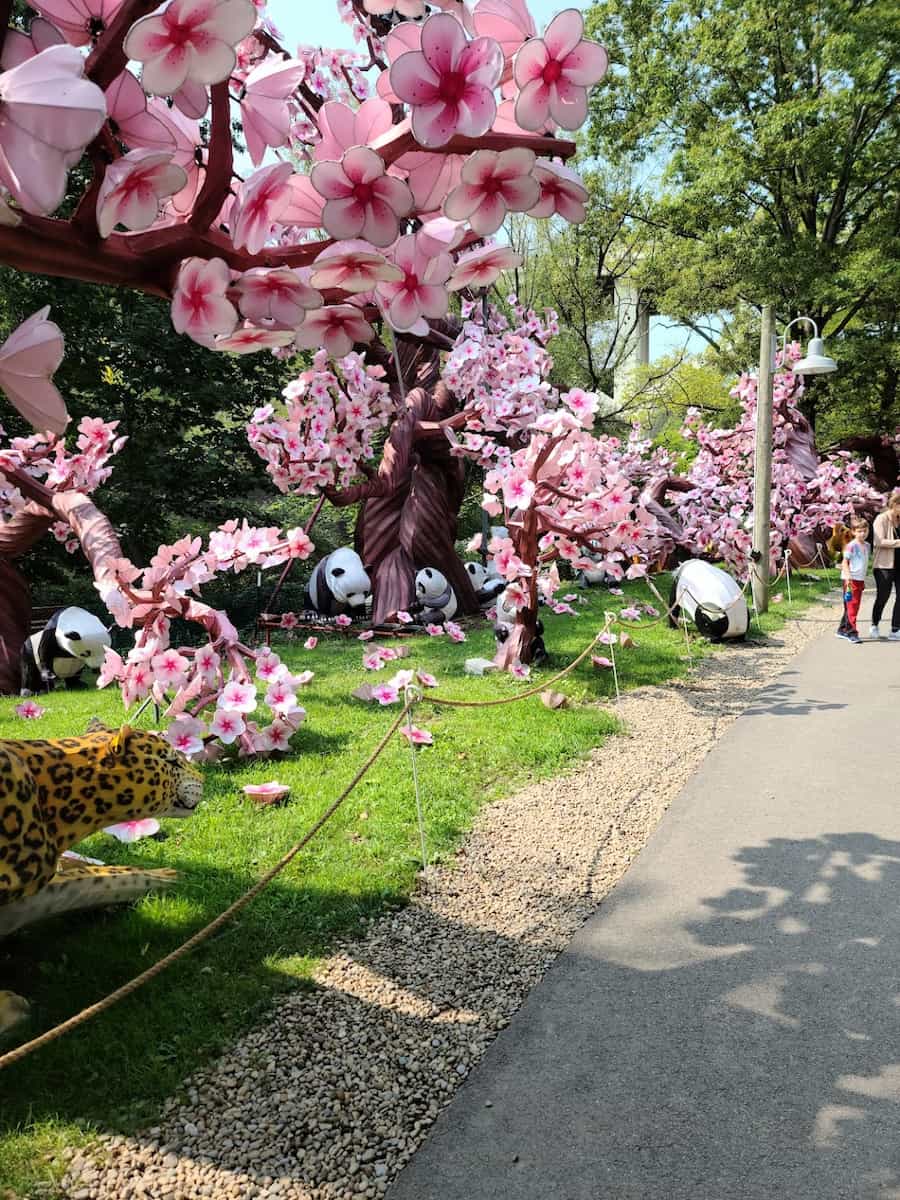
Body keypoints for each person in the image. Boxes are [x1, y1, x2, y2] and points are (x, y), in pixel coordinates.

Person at [869, 492, 900, 639]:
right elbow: (879, 541)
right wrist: (898, 543)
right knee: (883, 596)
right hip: (884, 565)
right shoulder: (881, 519)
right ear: (895, 505)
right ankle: (874, 624)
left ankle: (895, 629)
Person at [838, 516, 870, 643]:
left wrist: (863, 580)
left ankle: (842, 629)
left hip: (859, 579)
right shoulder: (851, 546)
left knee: (850, 605)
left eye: (864, 531)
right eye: (859, 531)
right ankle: (852, 632)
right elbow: (845, 562)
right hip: (851, 580)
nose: (862, 533)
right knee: (852, 606)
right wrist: (849, 578)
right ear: (853, 532)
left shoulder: (867, 546)